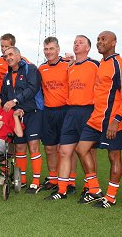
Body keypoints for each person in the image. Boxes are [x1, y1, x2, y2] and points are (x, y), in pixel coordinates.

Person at [74, 31, 122, 208]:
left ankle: (111, 197)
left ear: (114, 42)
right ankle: (94, 190)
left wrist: (116, 120)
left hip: (112, 121)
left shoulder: (119, 64)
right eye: (98, 39)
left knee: (114, 157)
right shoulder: (102, 63)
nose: (100, 42)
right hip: (96, 118)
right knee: (81, 149)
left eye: (103, 39)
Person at [44, 35, 100, 200]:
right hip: (71, 111)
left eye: (80, 42)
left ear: (88, 48)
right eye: (75, 42)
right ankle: (61, 190)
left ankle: (90, 187)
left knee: (90, 151)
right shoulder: (70, 66)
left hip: (89, 111)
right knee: (64, 151)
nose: (76, 44)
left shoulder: (95, 65)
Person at [2, 46, 43, 193]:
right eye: (6, 56)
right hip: (17, 116)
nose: (8, 58)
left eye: (11, 54)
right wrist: (13, 109)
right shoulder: (7, 77)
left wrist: (15, 101)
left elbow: (32, 88)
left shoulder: (30, 69)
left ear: (19, 55)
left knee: (33, 146)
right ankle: (22, 180)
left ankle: (36, 182)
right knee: (19, 147)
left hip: (33, 113)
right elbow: (4, 98)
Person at [37, 36, 69, 191]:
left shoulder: (68, 65)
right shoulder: (41, 69)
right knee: (49, 148)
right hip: (48, 112)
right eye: (46, 49)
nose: (48, 52)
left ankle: (70, 181)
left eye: (51, 48)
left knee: (66, 149)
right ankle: (53, 178)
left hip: (65, 111)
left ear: (58, 49)